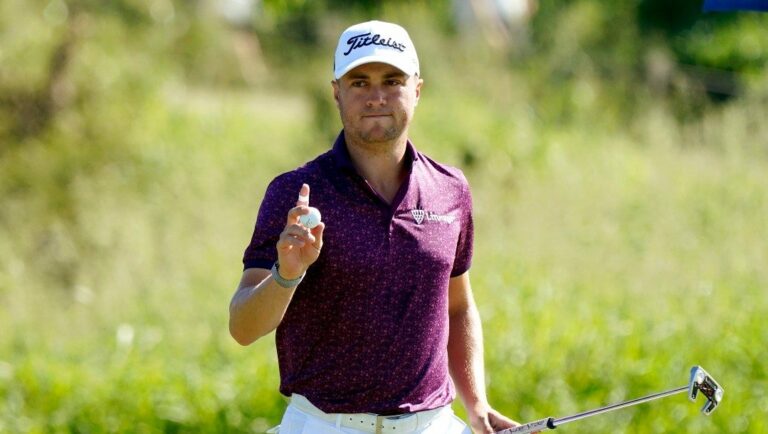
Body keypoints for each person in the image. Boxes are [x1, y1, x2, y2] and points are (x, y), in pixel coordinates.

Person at [229, 20, 522, 434]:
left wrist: (476, 404)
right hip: (322, 425)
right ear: (336, 93)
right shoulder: (294, 193)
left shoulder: (449, 190)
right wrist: (286, 274)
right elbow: (242, 328)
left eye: (392, 80)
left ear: (417, 90)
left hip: (431, 424)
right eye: (360, 82)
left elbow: (457, 306)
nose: (376, 96)